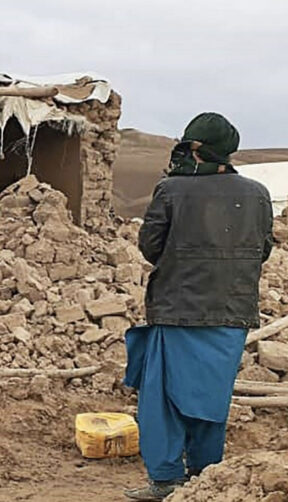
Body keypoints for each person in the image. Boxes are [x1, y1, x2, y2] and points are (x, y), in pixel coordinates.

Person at [123, 112, 274, 501]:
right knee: (211, 398)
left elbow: (150, 246)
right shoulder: (257, 194)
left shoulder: (171, 189)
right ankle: (207, 479)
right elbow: (263, 250)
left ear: (193, 147)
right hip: (232, 314)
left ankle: (166, 480)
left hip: (177, 311)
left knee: (163, 400)